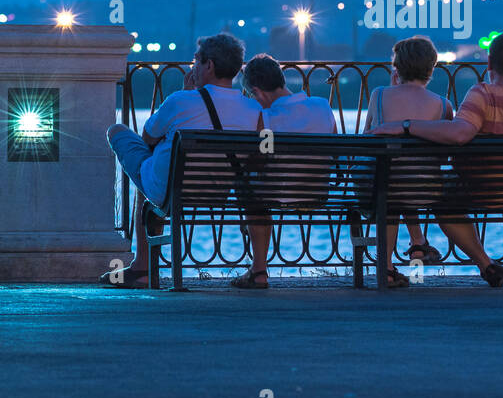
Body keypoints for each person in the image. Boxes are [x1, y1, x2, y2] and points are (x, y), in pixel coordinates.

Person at [372, 31, 503, 287]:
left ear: (489, 64)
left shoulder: (483, 94)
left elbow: (460, 134)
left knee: (443, 200)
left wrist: (407, 125)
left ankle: (485, 263)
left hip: (488, 192)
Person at [102, 32, 261, 288]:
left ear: (209, 65)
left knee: (119, 134)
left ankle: (142, 267)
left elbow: (148, 138)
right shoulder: (254, 110)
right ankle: (143, 265)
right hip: (218, 193)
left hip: (171, 192)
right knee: (152, 166)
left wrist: (187, 94)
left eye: (196, 61)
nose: (193, 67)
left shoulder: (180, 100)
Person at [231, 53, 338, 289]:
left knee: (249, 188)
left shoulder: (266, 119)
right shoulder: (322, 107)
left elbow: (260, 158)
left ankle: (259, 269)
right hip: (318, 194)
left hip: (276, 195)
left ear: (258, 92)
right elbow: (334, 150)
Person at [362, 35, 453, 270]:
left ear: (397, 67)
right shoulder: (444, 105)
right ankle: (418, 242)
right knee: (406, 175)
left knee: (392, 178)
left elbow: (366, 141)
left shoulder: (379, 95)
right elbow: (443, 156)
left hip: (383, 187)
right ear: (431, 68)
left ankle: (389, 266)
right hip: (427, 189)